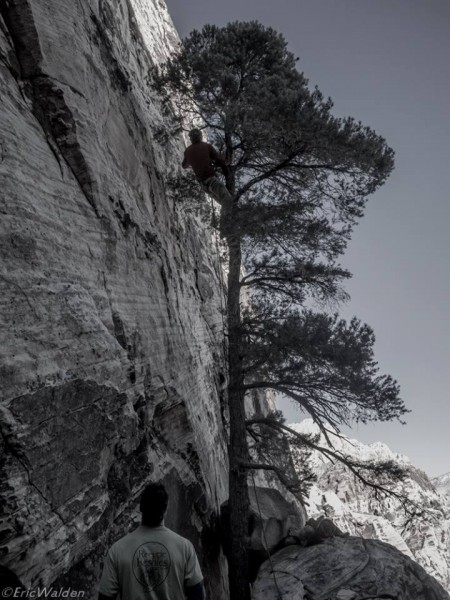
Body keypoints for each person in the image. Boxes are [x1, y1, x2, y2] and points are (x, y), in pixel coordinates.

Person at [98, 483, 205, 600]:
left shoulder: (117, 550)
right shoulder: (184, 547)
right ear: (166, 509)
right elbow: (198, 595)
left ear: (141, 507)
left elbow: (105, 597)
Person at [182, 128, 233, 209]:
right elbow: (219, 161)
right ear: (200, 136)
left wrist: (193, 164)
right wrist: (227, 162)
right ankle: (230, 220)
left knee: (223, 204)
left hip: (203, 184)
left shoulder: (187, 151)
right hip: (211, 179)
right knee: (227, 201)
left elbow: (184, 165)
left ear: (191, 138)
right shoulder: (206, 146)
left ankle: (227, 219)